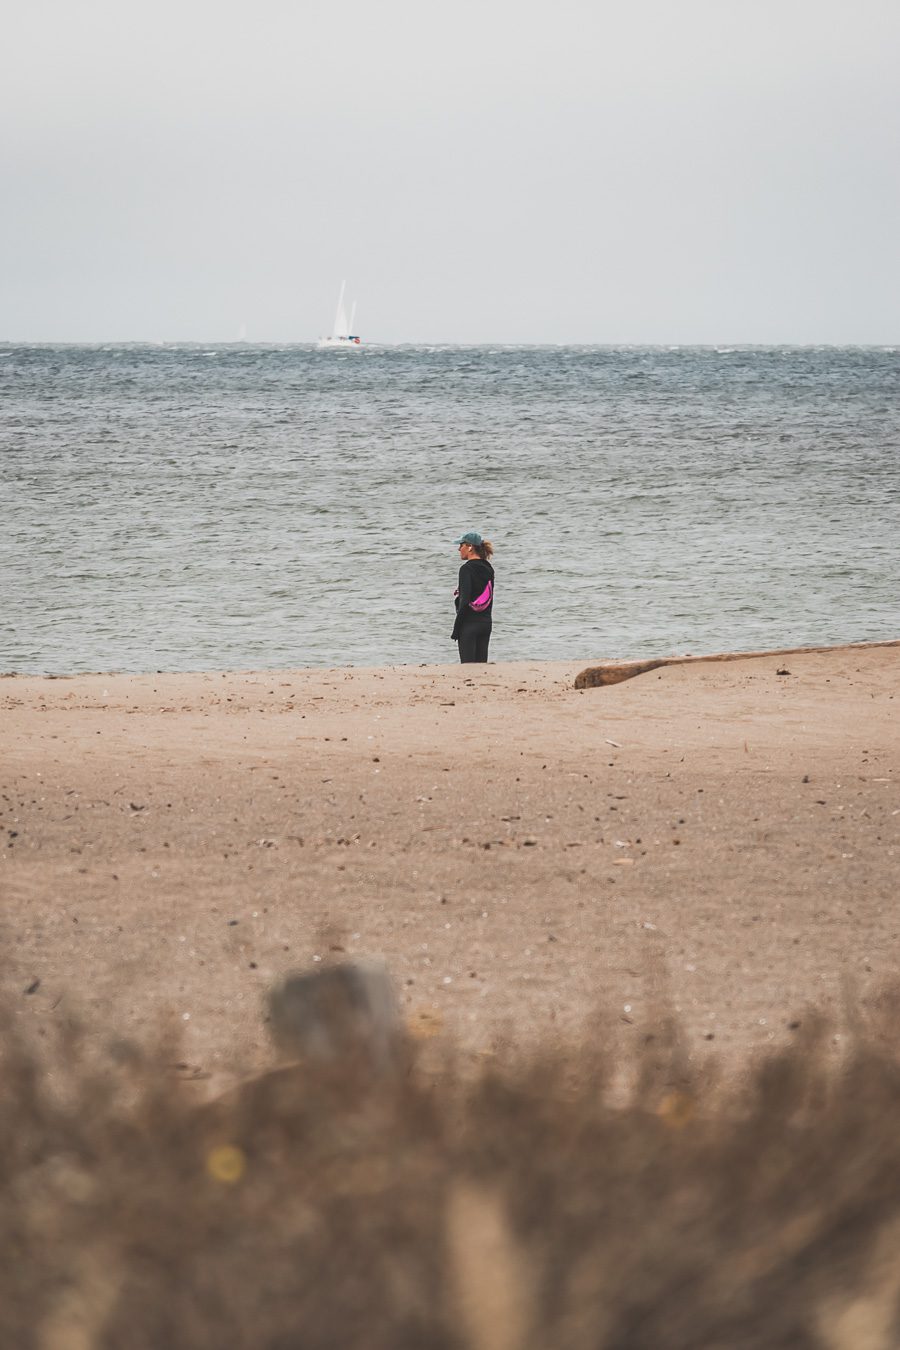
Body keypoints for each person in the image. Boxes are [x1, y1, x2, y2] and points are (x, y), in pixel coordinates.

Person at [450, 531, 495, 664]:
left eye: (461, 545)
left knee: (468, 668)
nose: (459, 549)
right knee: (481, 667)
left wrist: (456, 629)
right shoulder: (489, 568)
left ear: (470, 547)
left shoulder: (466, 569)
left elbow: (464, 601)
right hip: (486, 624)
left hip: (469, 625)